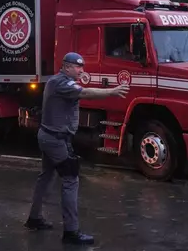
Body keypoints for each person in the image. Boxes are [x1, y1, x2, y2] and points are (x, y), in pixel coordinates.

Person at [25, 52, 129, 245]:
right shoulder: (61, 83)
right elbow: (86, 93)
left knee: (46, 177)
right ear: (66, 66)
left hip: (49, 137)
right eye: (78, 66)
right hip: (56, 140)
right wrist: (112, 92)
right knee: (71, 179)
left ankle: (34, 218)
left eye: (82, 66)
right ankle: (71, 231)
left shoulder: (57, 81)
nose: (82, 70)